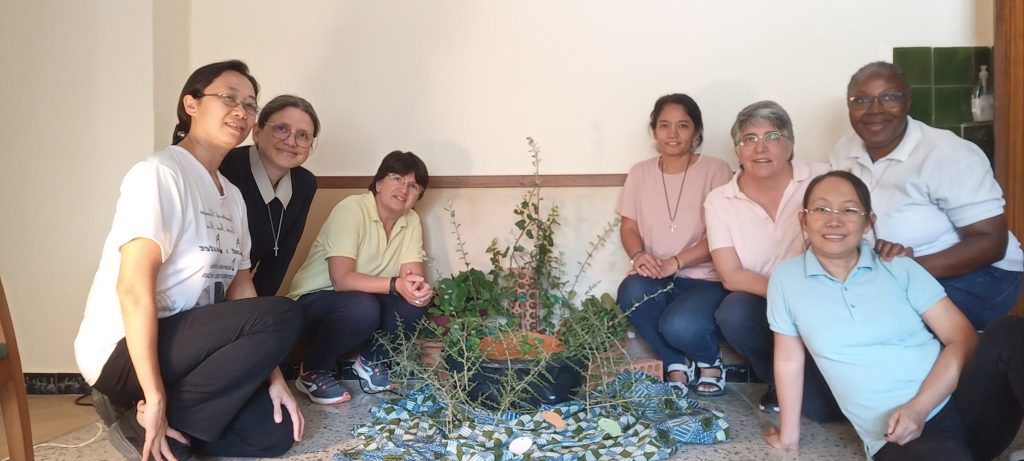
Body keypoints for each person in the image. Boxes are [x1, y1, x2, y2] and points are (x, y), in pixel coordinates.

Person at [74, 60, 304, 461]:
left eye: (250, 105)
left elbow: (242, 288)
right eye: (229, 98)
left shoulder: (232, 196)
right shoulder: (160, 173)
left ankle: (161, 422)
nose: (241, 111)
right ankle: (145, 411)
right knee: (285, 313)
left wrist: (274, 376)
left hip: (190, 351)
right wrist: (155, 395)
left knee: (273, 433)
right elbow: (132, 289)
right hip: (124, 349)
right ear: (191, 104)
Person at [765, 170, 1024, 460]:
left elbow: (962, 338)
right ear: (803, 220)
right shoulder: (786, 279)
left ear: (868, 222)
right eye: (821, 209)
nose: (834, 220)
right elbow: (788, 359)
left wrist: (920, 407)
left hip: (964, 403)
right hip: (899, 434)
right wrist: (789, 437)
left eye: (849, 210)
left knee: (1010, 332)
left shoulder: (897, 266)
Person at [829, 61, 1023, 330]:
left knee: (880, 323)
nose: (875, 109)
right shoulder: (844, 150)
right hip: (891, 271)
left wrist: (910, 268)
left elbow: (991, 242)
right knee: (823, 311)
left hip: (981, 275)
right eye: (861, 100)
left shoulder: (948, 153)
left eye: (890, 97)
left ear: (907, 101)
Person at [704, 100, 840, 419]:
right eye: (749, 139)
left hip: (824, 292)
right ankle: (779, 380)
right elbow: (731, 275)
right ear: (737, 151)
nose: (760, 148)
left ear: (790, 145)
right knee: (733, 312)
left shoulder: (823, 178)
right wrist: (790, 294)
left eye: (772, 137)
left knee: (828, 409)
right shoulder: (720, 200)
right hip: (763, 297)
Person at [287, 151, 433, 404]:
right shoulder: (351, 209)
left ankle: (371, 362)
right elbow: (341, 280)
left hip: (364, 304)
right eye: (397, 178)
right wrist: (395, 284)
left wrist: (417, 289)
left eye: (413, 185)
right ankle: (313, 370)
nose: (404, 189)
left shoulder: (411, 220)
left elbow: (412, 275)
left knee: (415, 303)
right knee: (363, 305)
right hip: (314, 305)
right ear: (378, 183)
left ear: (419, 195)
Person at [615, 93, 733, 396]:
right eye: (664, 125)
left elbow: (723, 234)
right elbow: (629, 226)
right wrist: (639, 255)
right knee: (630, 291)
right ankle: (675, 362)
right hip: (657, 275)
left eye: (683, 125)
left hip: (706, 279)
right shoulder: (640, 172)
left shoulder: (716, 170)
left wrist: (675, 263)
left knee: (678, 325)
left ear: (697, 133)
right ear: (654, 132)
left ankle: (710, 360)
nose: (673, 133)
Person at [220, 95, 319, 296]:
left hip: (243, 295)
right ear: (257, 132)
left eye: (303, 135)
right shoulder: (225, 167)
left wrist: (258, 310)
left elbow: (278, 262)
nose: (291, 141)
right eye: (281, 129)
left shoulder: (304, 184)